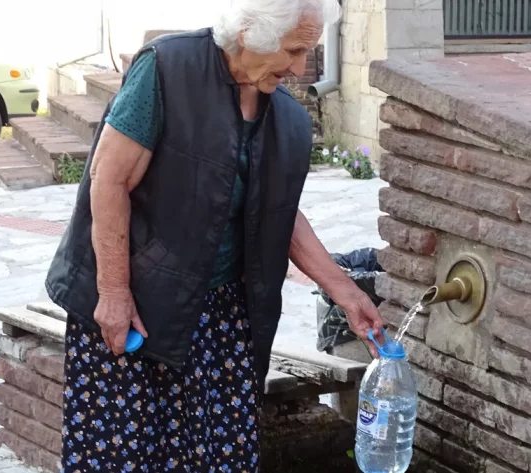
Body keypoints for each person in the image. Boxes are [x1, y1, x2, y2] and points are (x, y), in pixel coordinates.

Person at [44, 1, 386, 471]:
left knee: (216, 456)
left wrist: (345, 292)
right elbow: (108, 179)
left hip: (222, 315)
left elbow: (278, 210)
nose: (300, 68)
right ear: (249, 35)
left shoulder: (284, 115)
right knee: (126, 455)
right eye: (293, 51)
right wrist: (113, 291)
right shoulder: (168, 68)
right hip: (138, 303)